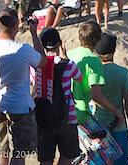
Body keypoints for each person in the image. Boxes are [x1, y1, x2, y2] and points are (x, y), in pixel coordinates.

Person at [0, 10, 44, 165]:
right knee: (19, 153)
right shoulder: (24, 49)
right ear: (16, 26)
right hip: (21, 106)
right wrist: (34, 34)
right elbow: (42, 61)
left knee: (2, 149)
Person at [34, 27, 83, 165]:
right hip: (67, 116)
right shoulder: (69, 65)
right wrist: (65, 56)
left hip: (43, 117)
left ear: (42, 45)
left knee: (45, 159)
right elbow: (79, 78)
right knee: (67, 156)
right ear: (60, 43)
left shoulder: (37, 65)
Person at [92, 32, 128, 165]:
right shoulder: (123, 73)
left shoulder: (93, 72)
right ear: (113, 51)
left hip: (97, 126)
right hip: (118, 127)